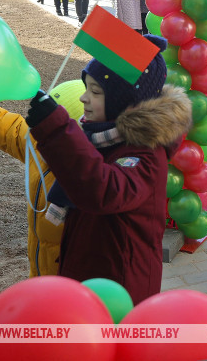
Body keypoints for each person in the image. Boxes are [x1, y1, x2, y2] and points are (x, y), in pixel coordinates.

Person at [23, 34, 192, 305]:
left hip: (122, 288)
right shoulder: (101, 138)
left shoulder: (145, 155)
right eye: (85, 88)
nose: (84, 98)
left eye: (96, 92)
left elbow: (104, 189)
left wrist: (56, 130)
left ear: (124, 100)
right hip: (95, 274)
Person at [0, 82, 86, 278]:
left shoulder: (91, 181)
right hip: (39, 269)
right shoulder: (41, 145)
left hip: (69, 281)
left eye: (51, 125)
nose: (42, 131)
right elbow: (12, 130)